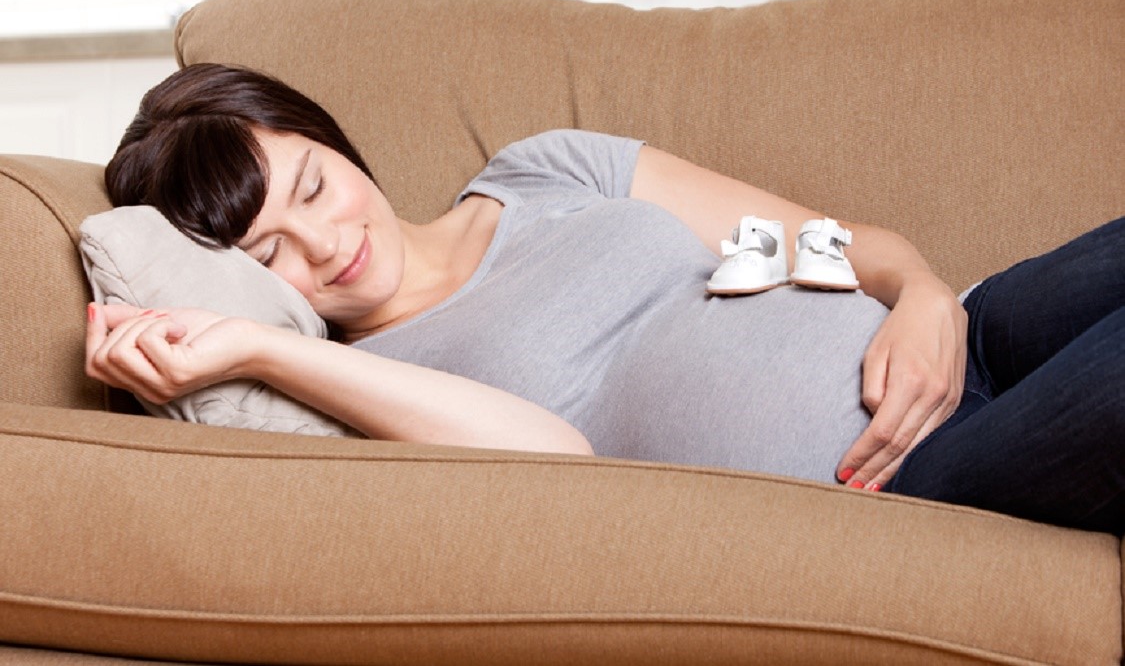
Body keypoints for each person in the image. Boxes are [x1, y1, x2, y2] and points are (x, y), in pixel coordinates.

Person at [86, 63, 1124, 535]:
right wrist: (266, 352)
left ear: (333, 140)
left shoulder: (548, 171)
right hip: (913, 475)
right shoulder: (372, 387)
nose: (327, 244)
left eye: (315, 186)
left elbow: (816, 243)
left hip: (978, 334)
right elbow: (555, 467)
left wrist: (923, 294)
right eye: (271, 254)